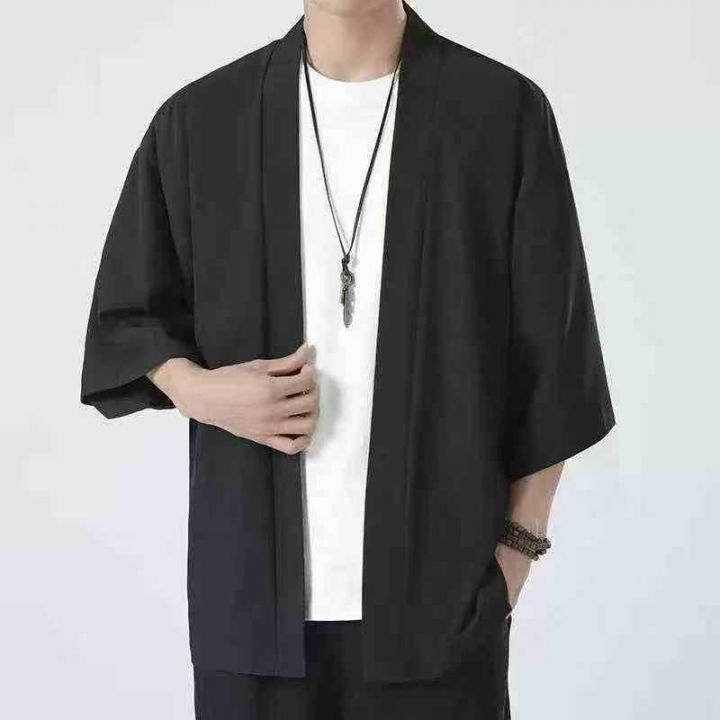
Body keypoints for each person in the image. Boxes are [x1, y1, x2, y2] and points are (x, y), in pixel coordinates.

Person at [80, 1, 616, 717]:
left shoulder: (501, 115)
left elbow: (557, 360)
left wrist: (515, 555)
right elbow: (126, 318)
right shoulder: (202, 121)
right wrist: (200, 392)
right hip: (251, 616)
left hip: (443, 615)